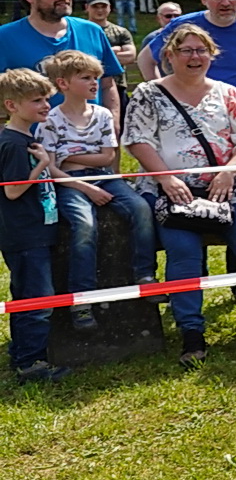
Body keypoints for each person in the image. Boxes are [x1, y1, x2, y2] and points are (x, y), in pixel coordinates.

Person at [123, 24, 236, 365]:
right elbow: (137, 140)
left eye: (201, 50)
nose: (195, 57)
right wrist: (165, 179)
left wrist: (228, 171)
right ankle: (192, 333)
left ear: (211, 54)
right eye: (186, 51)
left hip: (230, 185)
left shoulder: (229, 93)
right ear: (170, 56)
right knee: (182, 250)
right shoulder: (148, 93)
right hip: (172, 186)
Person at [38, 51, 157, 330]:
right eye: (86, 78)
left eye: (96, 78)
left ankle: (146, 275)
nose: (94, 84)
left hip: (104, 176)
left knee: (140, 209)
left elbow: (106, 157)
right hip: (69, 182)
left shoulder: (102, 115)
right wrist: (83, 185)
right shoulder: (50, 121)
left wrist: (70, 157)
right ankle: (82, 298)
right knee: (84, 225)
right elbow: (51, 168)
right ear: (63, 84)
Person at [0, 68, 71, 382]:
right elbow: (13, 190)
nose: (46, 105)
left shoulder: (24, 137)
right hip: (25, 234)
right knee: (37, 299)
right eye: (37, 100)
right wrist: (42, 165)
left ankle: (21, 353)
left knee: (28, 295)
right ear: (12, 105)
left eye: (47, 98)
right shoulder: (15, 144)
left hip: (35, 231)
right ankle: (32, 364)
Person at [0, 0, 125, 121]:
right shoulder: (5, 37)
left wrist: (113, 123)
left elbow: (107, 84)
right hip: (33, 141)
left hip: (92, 138)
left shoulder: (91, 31)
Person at [83, 0, 136, 72]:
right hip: (86, 81)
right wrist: (112, 52)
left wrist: (92, 56)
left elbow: (130, 56)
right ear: (87, 7)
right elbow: (77, 60)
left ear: (109, 7)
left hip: (118, 82)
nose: (100, 10)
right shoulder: (79, 30)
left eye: (104, 6)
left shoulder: (120, 32)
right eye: (95, 7)